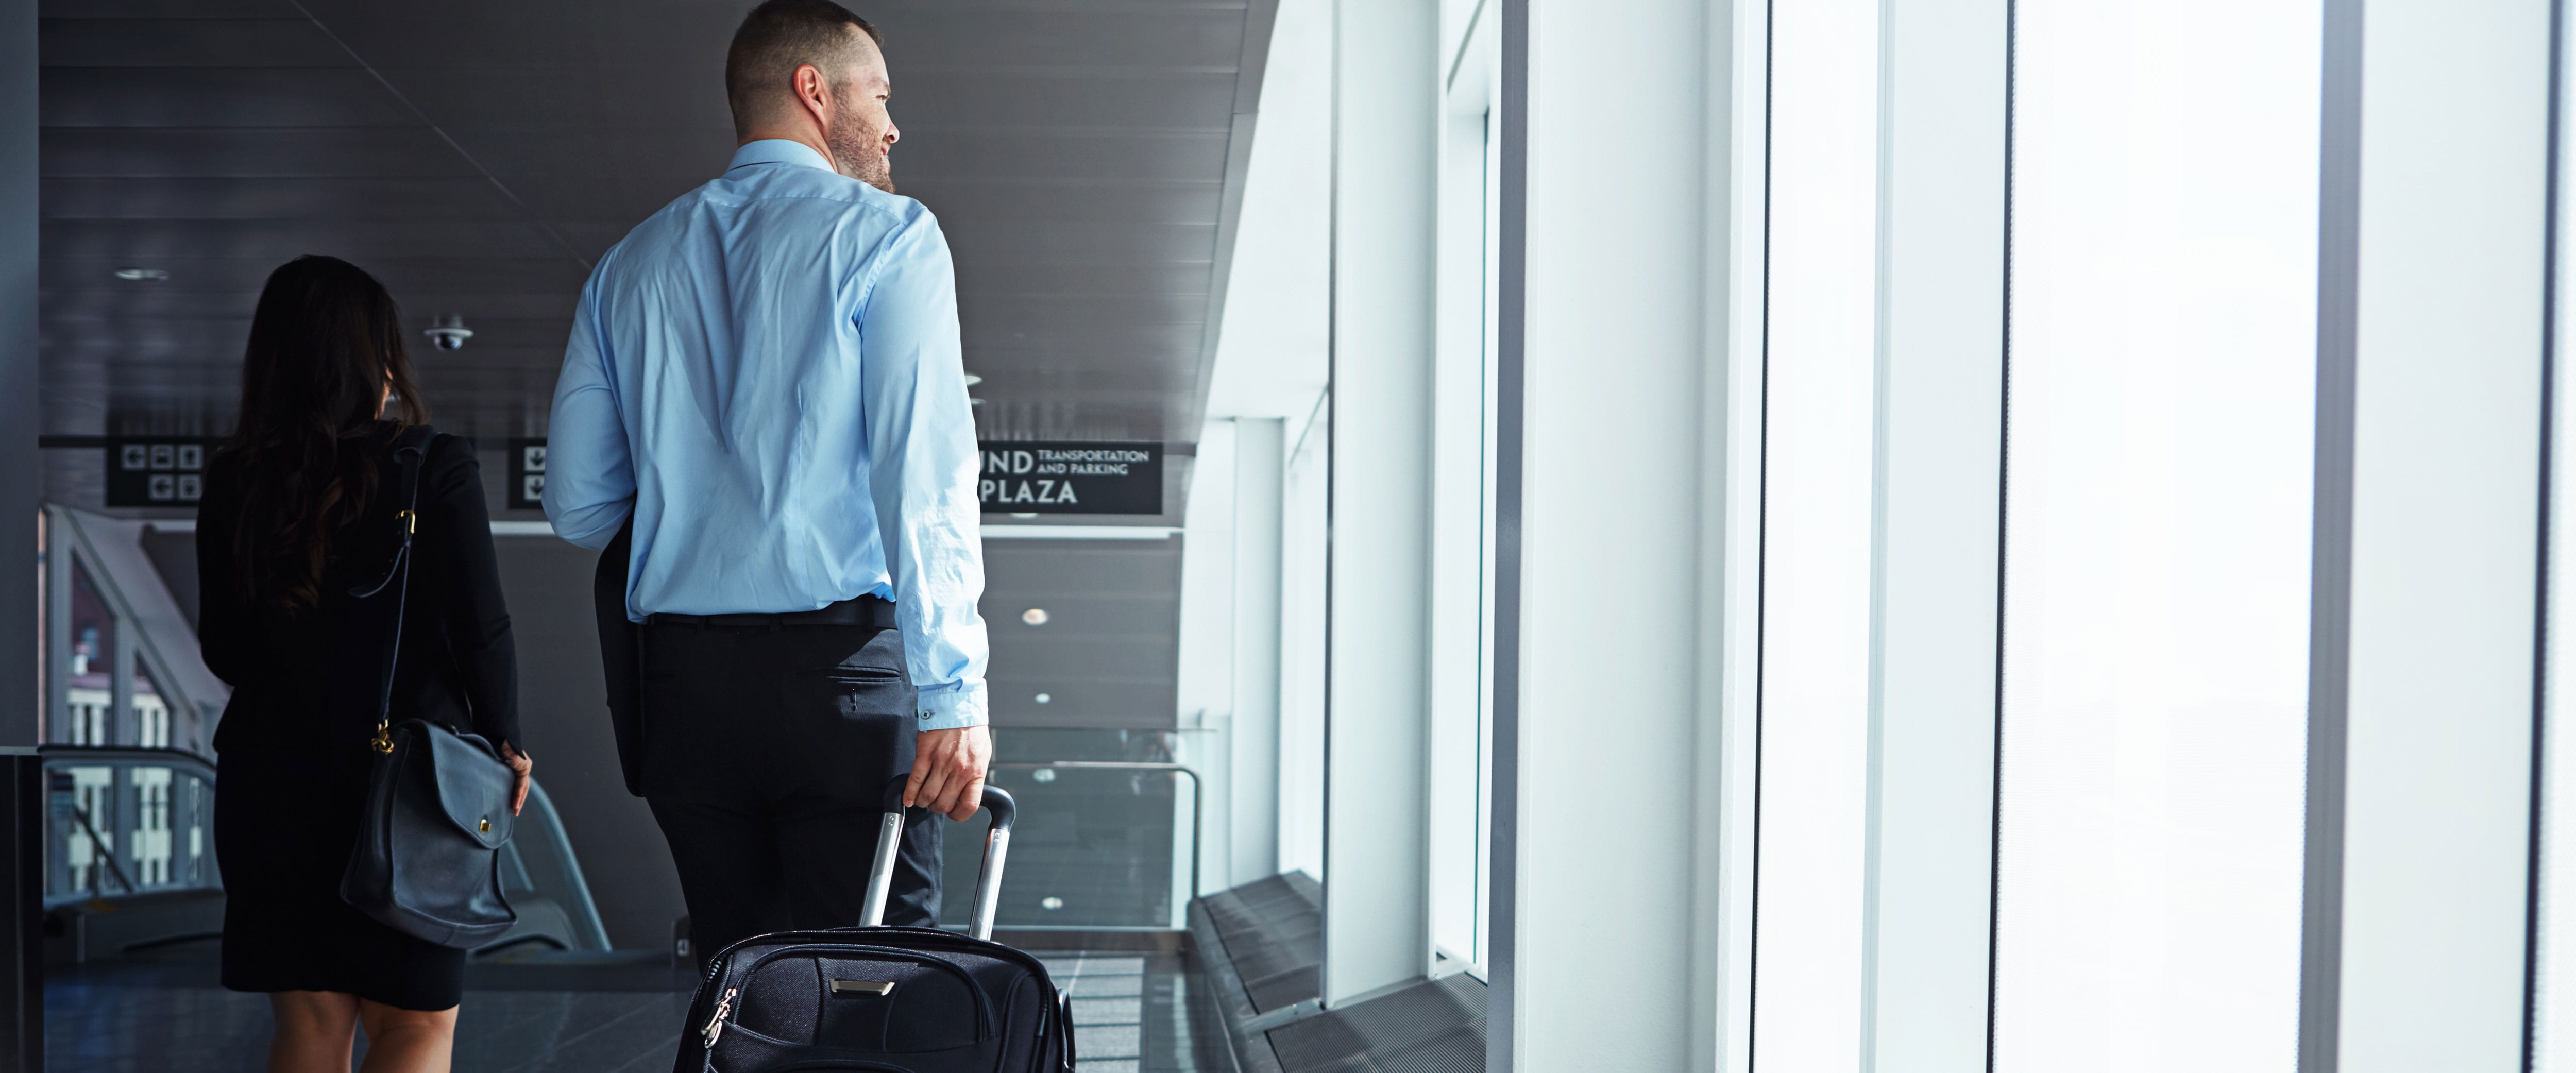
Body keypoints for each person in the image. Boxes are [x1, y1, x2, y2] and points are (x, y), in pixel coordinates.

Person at [542, 0, 992, 966]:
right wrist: (954, 694)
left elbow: (578, 505)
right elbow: (924, 475)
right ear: (814, 90)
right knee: (875, 1001)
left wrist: (697, 500)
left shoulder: (627, 265)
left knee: (741, 999)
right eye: (878, 93)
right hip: (844, 691)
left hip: (687, 699)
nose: (891, 121)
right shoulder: (892, 238)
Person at [197, 254, 533, 1073]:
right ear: (374, 358)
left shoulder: (235, 478)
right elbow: (481, 628)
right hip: (406, 790)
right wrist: (506, 741)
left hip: (270, 787)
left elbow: (225, 652)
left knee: (309, 1029)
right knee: (414, 1028)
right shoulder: (430, 464)